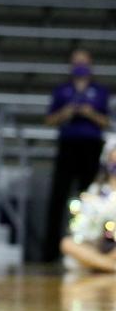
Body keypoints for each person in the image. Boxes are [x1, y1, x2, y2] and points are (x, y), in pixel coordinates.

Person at [45, 49, 111, 261]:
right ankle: (50, 253)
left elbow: (106, 121)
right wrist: (68, 112)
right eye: (76, 61)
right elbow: (50, 119)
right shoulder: (62, 90)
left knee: (90, 198)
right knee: (58, 198)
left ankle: (94, 249)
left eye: (84, 61)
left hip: (91, 147)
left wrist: (89, 113)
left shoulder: (99, 91)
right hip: (68, 146)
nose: (80, 65)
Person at [61, 144, 116, 272]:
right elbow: (84, 227)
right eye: (113, 164)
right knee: (67, 243)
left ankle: (99, 264)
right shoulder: (96, 190)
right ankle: (109, 266)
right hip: (97, 244)